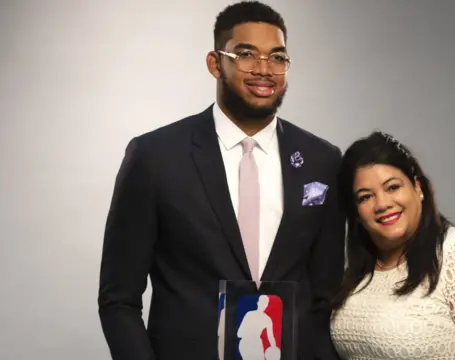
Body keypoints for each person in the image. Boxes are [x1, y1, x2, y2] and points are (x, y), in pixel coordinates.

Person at [97, 2, 346, 359]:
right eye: (246, 54)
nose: (264, 70)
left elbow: (327, 294)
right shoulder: (156, 157)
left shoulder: (322, 160)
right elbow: (118, 298)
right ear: (216, 63)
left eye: (277, 57)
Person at [329, 131, 455, 360]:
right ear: (355, 212)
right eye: (365, 197)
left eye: (392, 187)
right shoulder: (359, 271)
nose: (382, 204)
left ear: (418, 187)